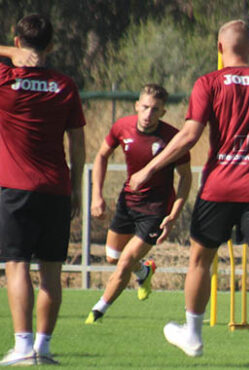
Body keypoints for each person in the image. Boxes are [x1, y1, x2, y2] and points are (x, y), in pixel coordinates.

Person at [128, 19, 249, 363]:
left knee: (200, 262)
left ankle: (192, 335)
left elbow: (190, 136)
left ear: (220, 49)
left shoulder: (209, 82)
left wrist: (149, 168)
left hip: (218, 188)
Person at [0, 14, 86, 366]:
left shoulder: (5, 79)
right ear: (51, 46)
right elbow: (78, 142)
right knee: (51, 271)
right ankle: (44, 348)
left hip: (15, 188)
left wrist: (7, 52)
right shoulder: (65, 86)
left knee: (17, 265)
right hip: (56, 189)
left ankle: (22, 348)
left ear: (19, 43)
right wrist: (78, 187)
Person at [84, 84, 192, 324]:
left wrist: (174, 214)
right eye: (144, 107)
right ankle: (145, 271)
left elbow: (186, 177)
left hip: (156, 209)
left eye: (155, 109)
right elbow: (101, 155)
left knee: (124, 262)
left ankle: (98, 311)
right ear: (136, 105)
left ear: (163, 112)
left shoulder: (172, 138)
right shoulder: (121, 127)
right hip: (128, 201)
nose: (148, 114)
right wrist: (97, 195)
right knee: (112, 257)